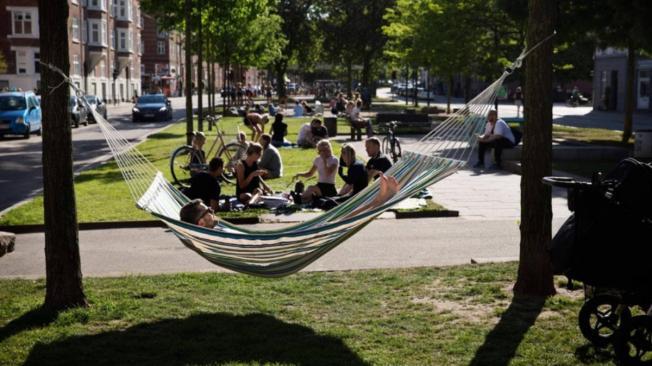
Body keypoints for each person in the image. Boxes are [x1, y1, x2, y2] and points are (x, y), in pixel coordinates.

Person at [292, 140, 339, 204]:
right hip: (320, 185)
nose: (320, 153)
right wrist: (299, 174)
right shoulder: (317, 159)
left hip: (329, 187)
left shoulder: (334, 160)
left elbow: (328, 173)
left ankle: (299, 198)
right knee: (310, 194)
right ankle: (300, 198)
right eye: (319, 151)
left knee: (311, 188)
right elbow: (310, 173)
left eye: (322, 151)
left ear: (328, 149)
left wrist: (325, 161)